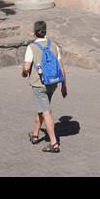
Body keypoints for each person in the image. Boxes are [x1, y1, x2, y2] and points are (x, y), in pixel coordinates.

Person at [21, 20, 67, 153]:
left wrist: (24, 73)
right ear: (45, 32)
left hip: (39, 84)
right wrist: (64, 85)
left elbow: (26, 67)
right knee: (42, 108)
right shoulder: (53, 45)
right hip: (53, 83)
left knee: (46, 112)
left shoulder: (31, 47)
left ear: (34, 33)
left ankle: (53, 143)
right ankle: (35, 134)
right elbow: (61, 67)